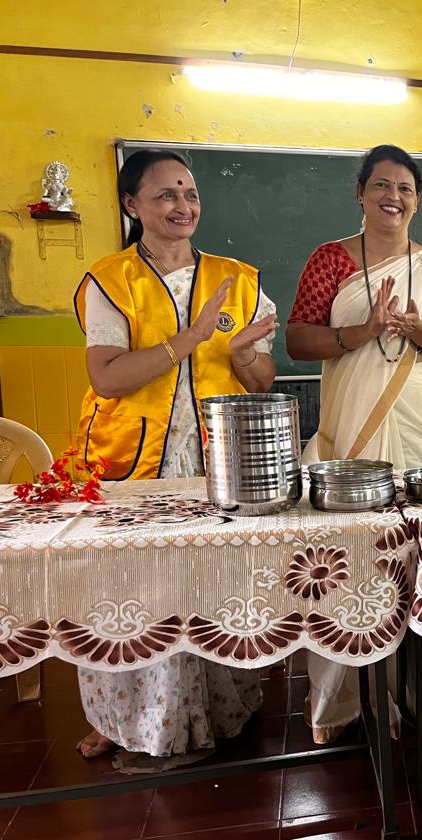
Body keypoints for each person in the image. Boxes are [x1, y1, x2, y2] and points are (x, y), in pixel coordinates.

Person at [74, 148, 278, 758]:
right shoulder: (109, 280)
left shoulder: (239, 279)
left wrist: (242, 356)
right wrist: (189, 339)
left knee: (215, 582)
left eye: (189, 193)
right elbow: (107, 379)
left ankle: (222, 707)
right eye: (165, 195)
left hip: (215, 461)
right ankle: (121, 718)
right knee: (130, 587)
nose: (182, 205)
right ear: (132, 205)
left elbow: (262, 380)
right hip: (132, 463)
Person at [287, 144, 422, 743]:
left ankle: (417, 693)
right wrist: (362, 332)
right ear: (360, 192)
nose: (392, 198)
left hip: (420, 424)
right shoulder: (330, 261)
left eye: (404, 188)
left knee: (420, 556)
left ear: (417, 199)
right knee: (347, 560)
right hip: (351, 424)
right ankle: (342, 702)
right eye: (381, 186)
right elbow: (299, 341)